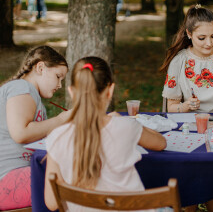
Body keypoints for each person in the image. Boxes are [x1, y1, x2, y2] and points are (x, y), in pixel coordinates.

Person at [44, 57, 167, 211]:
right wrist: (123, 120)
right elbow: (160, 143)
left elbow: (51, 202)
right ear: (110, 90)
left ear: (72, 92)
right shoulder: (126, 127)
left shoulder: (57, 137)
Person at [0, 46, 70, 210]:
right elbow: (21, 133)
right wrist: (61, 119)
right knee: (77, 181)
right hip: (7, 179)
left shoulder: (28, 92)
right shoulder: (21, 88)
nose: (60, 85)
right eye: (58, 77)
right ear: (40, 68)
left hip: (17, 175)